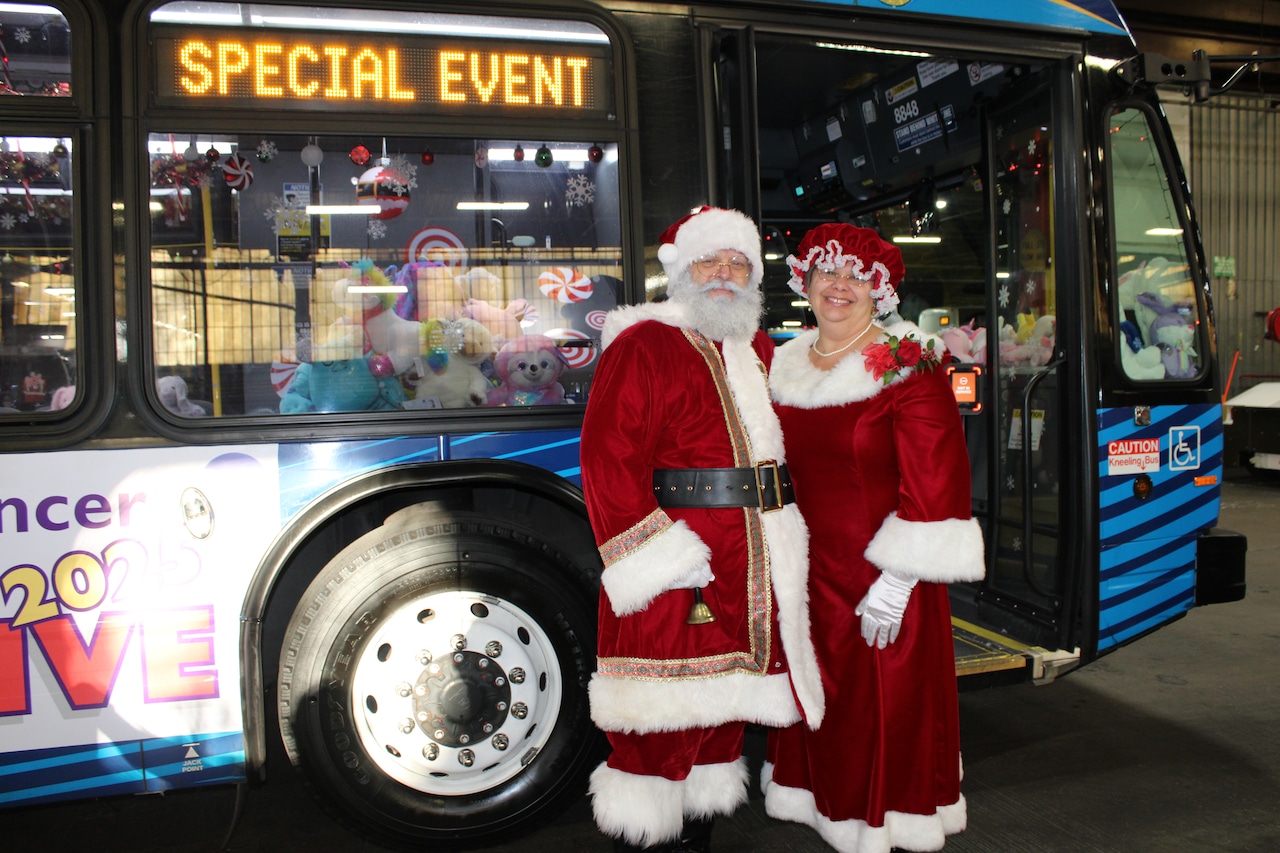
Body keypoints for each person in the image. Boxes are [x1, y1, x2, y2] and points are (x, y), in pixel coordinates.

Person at [580, 206, 824, 852]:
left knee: (721, 726)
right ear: (681, 272)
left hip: (748, 573)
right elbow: (607, 457)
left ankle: (698, 838)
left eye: (738, 263)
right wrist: (657, 555)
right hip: (676, 569)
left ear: (753, 277)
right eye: (709, 261)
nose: (723, 273)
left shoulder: (759, 350)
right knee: (659, 732)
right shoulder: (644, 345)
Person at [763, 223, 985, 853]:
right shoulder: (784, 361)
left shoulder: (909, 362)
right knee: (821, 702)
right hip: (808, 573)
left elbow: (937, 477)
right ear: (805, 282)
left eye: (858, 276)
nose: (841, 286)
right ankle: (825, 809)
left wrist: (898, 580)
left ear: (879, 291)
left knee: (880, 707)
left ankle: (883, 828)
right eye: (828, 272)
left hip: (879, 578)